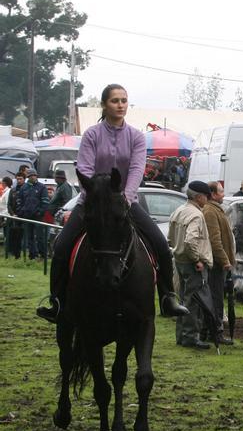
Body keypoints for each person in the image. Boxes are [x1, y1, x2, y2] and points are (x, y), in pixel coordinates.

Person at [38, 84, 188, 323]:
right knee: (62, 246)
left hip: (124, 202)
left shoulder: (137, 137)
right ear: (104, 105)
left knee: (160, 243)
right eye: (115, 101)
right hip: (92, 202)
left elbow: (138, 169)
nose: (120, 105)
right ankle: (56, 301)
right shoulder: (91, 135)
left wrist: (126, 198)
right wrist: (94, 195)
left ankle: (168, 297)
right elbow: (84, 168)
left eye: (124, 101)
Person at [169, 181, 215, 349]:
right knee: (193, 301)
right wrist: (197, 259)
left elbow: (170, 237)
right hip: (192, 263)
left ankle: (181, 335)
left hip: (180, 261)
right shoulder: (196, 215)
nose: (207, 200)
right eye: (206, 197)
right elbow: (190, 240)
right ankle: (190, 337)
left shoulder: (179, 211)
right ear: (198, 197)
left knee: (182, 299)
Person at [202, 181, 235, 345]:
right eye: (221, 191)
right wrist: (225, 260)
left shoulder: (215, 209)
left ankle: (211, 330)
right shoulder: (210, 211)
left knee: (217, 296)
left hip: (219, 262)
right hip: (215, 263)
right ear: (213, 194)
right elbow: (215, 241)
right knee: (215, 298)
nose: (223, 194)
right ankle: (215, 332)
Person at [17, 169, 49, 260]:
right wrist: (21, 211)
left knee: (40, 237)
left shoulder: (42, 187)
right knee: (29, 237)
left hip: (38, 217)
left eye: (34, 175)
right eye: (31, 176)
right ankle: (32, 256)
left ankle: (42, 256)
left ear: (36, 176)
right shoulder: (24, 187)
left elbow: (45, 202)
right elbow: (19, 201)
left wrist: (40, 212)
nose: (33, 177)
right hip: (27, 216)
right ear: (28, 177)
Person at [5, 173, 24, 259]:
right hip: (13, 216)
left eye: (20, 179)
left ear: (24, 179)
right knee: (11, 236)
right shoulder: (13, 190)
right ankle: (11, 253)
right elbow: (9, 204)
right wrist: (12, 214)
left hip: (22, 217)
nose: (19, 180)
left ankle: (18, 255)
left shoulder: (26, 189)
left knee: (19, 237)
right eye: (17, 179)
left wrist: (20, 214)